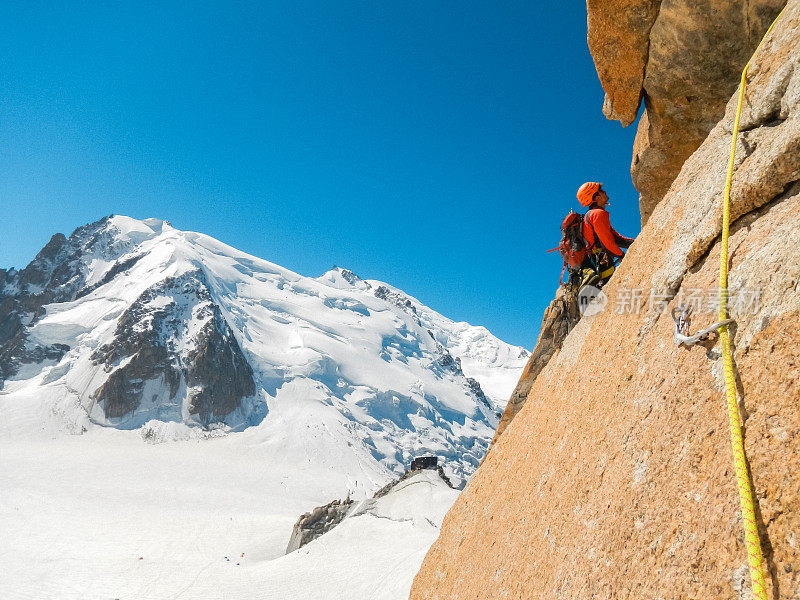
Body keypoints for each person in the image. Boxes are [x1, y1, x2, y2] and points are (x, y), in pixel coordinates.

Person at [575, 181, 634, 288]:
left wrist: (637, 242)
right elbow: (607, 242)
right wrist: (622, 256)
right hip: (602, 263)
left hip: (598, 261)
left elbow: (616, 238)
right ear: (596, 197)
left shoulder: (592, 214)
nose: (605, 191)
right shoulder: (597, 214)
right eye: (601, 191)